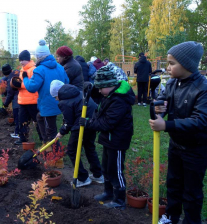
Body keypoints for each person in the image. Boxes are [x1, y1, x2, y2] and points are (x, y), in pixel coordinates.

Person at [149, 41, 207, 224]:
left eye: (172, 63)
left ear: (187, 64)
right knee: (173, 183)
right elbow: (162, 101)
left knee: (191, 190)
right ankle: (171, 216)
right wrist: (159, 108)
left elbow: (200, 120)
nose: (167, 68)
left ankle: (191, 220)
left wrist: (167, 125)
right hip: (177, 144)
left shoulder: (205, 89)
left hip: (197, 147)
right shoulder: (172, 84)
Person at [79, 66, 135, 210]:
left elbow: (107, 123)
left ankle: (119, 200)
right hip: (109, 139)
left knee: (115, 170)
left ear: (109, 85)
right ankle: (108, 192)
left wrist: (89, 124)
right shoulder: (109, 95)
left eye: (100, 88)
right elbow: (99, 111)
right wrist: (89, 90)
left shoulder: (119, 100)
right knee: (106, 168)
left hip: (117, 140)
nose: (98, 91)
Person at [23, 39, 69, 161]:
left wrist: (25, 79)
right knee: (39, 118)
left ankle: (56, 154)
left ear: (38, 56)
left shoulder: (39, 70)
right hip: (60, 102)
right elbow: (67, 82)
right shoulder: (60, 67)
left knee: (51, 130)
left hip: (48, 104)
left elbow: (32, 87)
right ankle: (46, 143)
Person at [51, 80, 103, 187]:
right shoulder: (76, 91)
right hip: (92, 120)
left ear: (57, 94)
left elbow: (68, 122)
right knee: (89, 147)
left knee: (72, 150)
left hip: (82, 123)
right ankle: (98, 175)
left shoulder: (64, 102)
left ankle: (83, 178)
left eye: (54, 97)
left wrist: (61, 132)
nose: (55, 99)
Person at [14, 50, 42, 145]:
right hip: (22, 100)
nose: (21, 62)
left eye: (23, 60)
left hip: (32, 101)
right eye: (20, 60)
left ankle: (43, 138)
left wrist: (20, 85)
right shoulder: (22, 70)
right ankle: (23, 138)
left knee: (37, 121)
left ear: (28, 59)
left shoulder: (34, 69)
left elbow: (33, 85)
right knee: (22, 120)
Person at [1, 64, 20, 138]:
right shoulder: (18, 72)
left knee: (17, 117)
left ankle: (17, 133)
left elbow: (10, 94)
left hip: (17, 100)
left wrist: (5, 105)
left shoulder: (10, 79)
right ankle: (23, 132)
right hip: (25, 98)